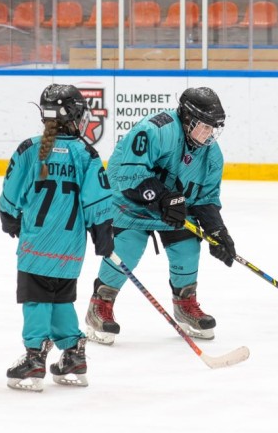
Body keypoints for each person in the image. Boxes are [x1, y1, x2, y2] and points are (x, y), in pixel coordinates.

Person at [85, 87, 235, 344]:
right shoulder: (155, 130)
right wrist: (163, 198)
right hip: (129, 202)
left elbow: (206, 199)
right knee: (128, 248)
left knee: (188, 248)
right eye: (204, 126)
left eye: (212, 127)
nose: (209, 134)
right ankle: (100, 304)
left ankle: (185, 304)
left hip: (173, 208)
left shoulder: (212, 155)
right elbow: (128, 175)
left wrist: (217, 231)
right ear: (187, 118)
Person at [1, 84, 114, 391]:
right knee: (61, 299)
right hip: (70, 248)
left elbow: (11, 192)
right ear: (74, 116)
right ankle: (73, 354)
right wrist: (102, 232)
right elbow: (98, 201)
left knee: (36, 299)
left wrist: (10, 217)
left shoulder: (30, 149)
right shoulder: (86, 154)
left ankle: (34, 358)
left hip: (37, 245)